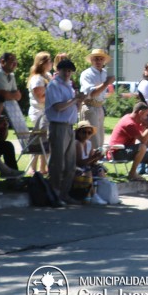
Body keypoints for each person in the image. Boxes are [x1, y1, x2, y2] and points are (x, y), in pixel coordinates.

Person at [45, 59, 86, 205]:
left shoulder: (69, 86)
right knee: (57, 161)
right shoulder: (54, 85)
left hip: (69, 126)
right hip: (58, 125)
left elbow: (75, 108)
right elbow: (58, 107)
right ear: (59, 70)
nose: (67, 73)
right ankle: (54, 193)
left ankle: (64, 193)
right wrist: (75, 99)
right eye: (65, 70)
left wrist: (80, 100)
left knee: (70, 162)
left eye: (70, 71)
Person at [107, 102, 148, 192]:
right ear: (140, 113)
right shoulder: (129, 123)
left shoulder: (135, 120)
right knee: (142, 147)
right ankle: (132, 173)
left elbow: (147, 137)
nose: (147, 117)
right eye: (146, 115)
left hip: (126, 150)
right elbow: (143, 140)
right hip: (116, 152)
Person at [79, 49, 115, 149]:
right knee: (91, 139)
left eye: (101, 59)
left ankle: (95, 162)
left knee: (100, 139)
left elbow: (104, 91)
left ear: (104, 61)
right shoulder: (86, 74)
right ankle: (88, 162)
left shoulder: (104, 73)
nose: (98, 61)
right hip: (89, 106)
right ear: (91, 60)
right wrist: (106, 83)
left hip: (99, 107)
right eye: (95, 59)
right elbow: (92, 93)